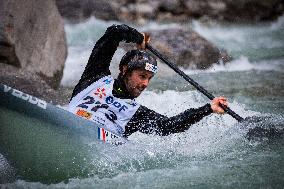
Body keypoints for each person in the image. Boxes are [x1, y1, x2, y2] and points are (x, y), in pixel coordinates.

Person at [68, 24, 228, 137]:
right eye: (142, 76)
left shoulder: (136, 113)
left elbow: (169, 126)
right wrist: (137, 37)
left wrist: (208, 108)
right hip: (66, 123)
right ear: (125, 70)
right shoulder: (94, 77)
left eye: (149, 79)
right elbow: (114, 32)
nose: (145, 84)